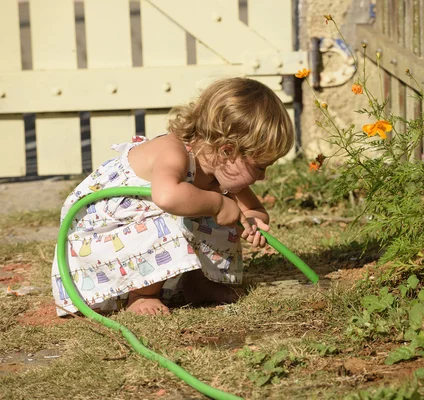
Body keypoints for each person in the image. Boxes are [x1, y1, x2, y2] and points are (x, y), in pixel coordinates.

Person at [51, 77, 294, 316]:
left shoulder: (221, 170)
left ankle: (199, 283)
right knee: (176, 216)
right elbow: (166, 197)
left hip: (132, 234)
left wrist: (250, 220)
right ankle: (141, 295)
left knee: (219, 215)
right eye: (260, 166)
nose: (262, 177)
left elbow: (254, 210)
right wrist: (219, 204)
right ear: (227, 151)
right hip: (98, 237)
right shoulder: (173, 152)